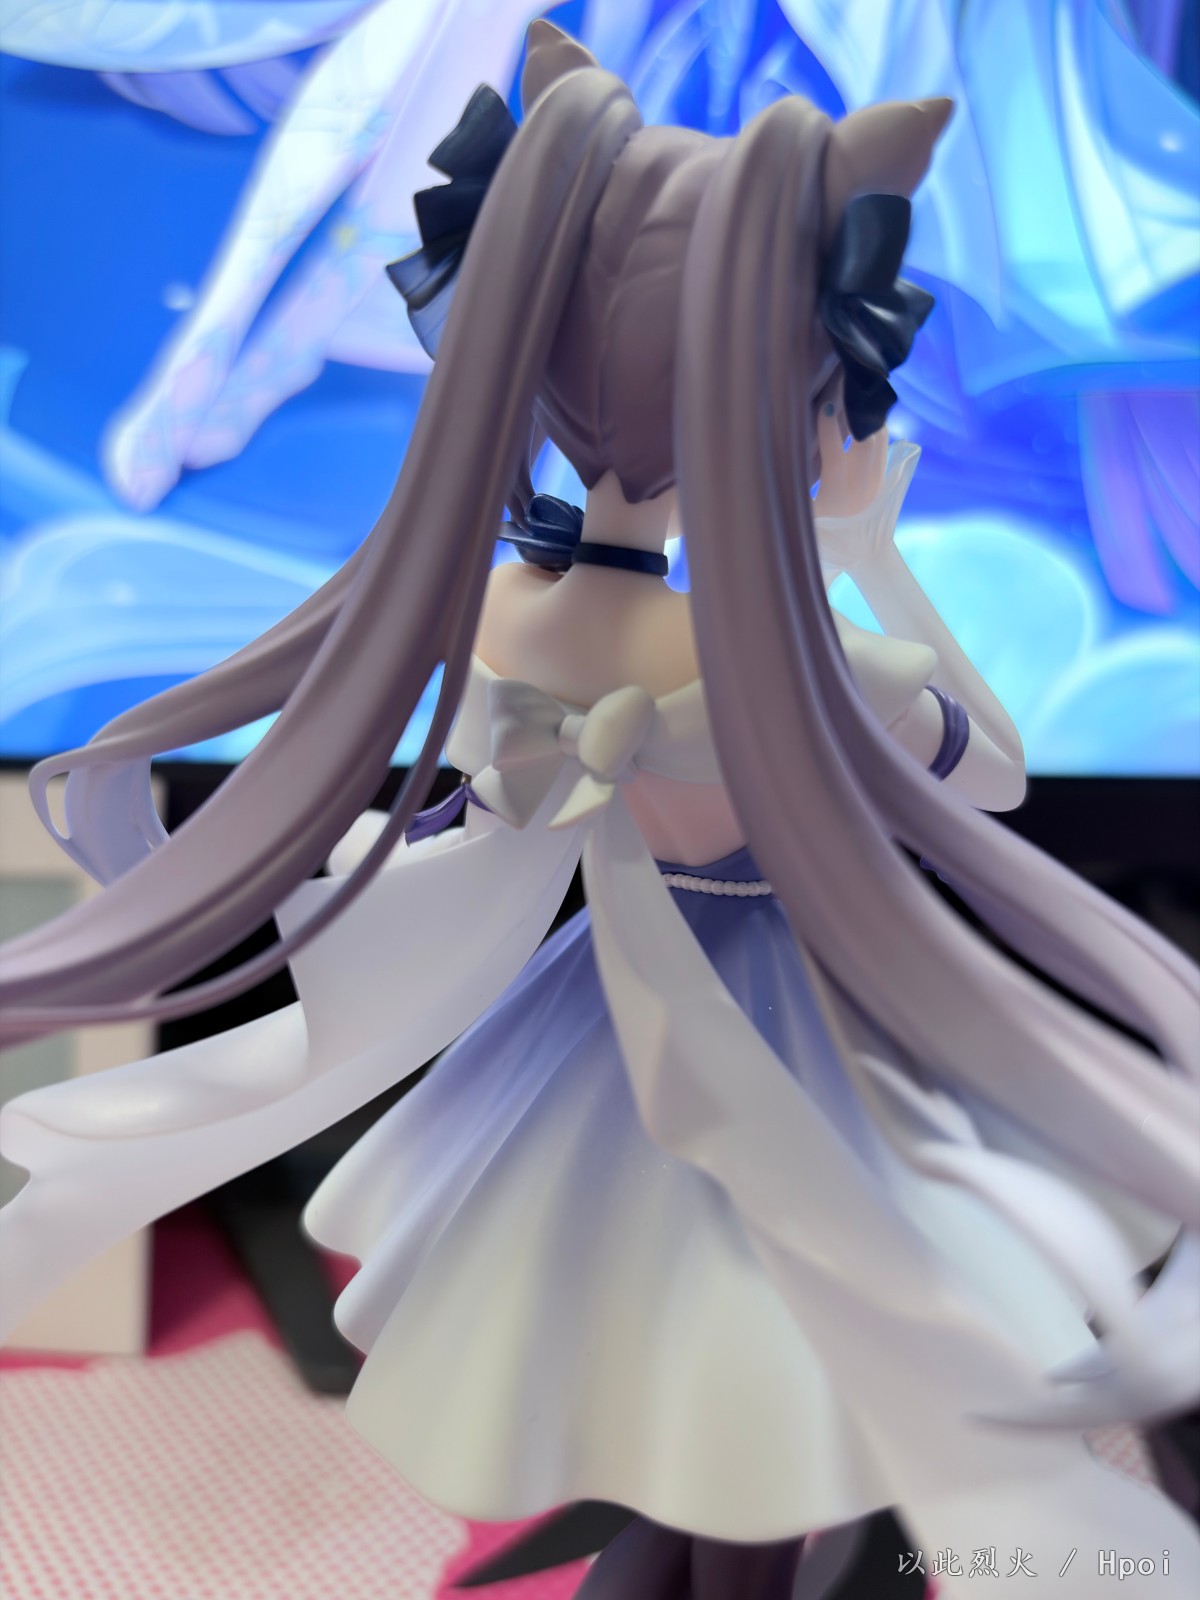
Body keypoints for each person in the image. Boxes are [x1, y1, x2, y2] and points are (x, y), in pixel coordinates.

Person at [1, 22, 1197, 1599]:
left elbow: (496, 813)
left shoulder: (503, 609)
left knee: (672, 1384)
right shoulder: (801, 658)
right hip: (792, 1037)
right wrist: (868, 552)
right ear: (801, 405)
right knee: (773, 1409)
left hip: (580, 1037)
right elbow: (988, 774)